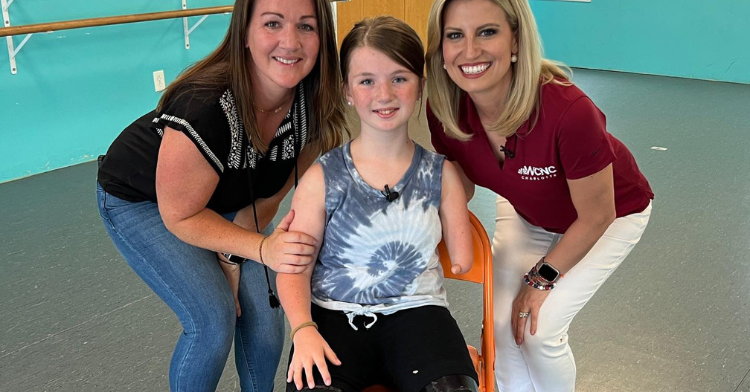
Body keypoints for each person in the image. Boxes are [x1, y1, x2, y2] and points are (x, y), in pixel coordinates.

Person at [95, 0, 348, 390]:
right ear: (244, 33)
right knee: (212, 321)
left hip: (223, 200)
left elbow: (270, 195)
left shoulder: (314, 105)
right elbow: (180, 215)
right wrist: (262, 251)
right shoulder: (203, 106)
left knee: (265, 318)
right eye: (273, 23)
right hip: (142, 198)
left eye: (307, 27)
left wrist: (232, 258)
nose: (290, 41)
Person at [424, 0, 655, 391]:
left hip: (611, 214)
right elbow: (460, 188)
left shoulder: (568, 111)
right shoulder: (445, 110)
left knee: (539, 330)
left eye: (487, 32)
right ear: (441, 51)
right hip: (529, 208)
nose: (470, 51)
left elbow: (597, 214)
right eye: (454, 36)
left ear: (516, 41)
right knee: (501, 326)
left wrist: (542, 277)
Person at [276, 16, 479, 392]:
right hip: (332, 316)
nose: (384, 94)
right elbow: (293, 267)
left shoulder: (441, 174)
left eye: (399, 78)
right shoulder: (321, 177)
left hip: (420, 315)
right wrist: (303, 330)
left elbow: (466, 260)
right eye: (367, 81)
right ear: (348, 91)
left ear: (420, 86)